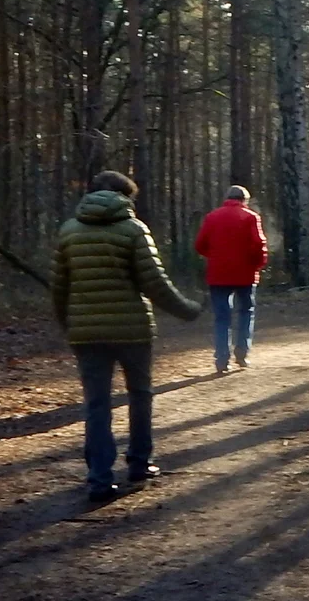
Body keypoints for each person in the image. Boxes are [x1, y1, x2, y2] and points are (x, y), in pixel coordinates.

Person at [50, 170, 200, 503]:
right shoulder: (133, 229)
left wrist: (68, 325)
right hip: (132, 330)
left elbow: (59, 287)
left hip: (86, 333)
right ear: (125, 196)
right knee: (140, 395)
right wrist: (187, 310)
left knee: (97, 404)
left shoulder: (69, 230)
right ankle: (139, 463)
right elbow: (154, 282)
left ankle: (99, 479)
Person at [193, 184, 269, 373]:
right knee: (246, 312)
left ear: (227, 198)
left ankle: (222, 359)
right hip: (245, 273)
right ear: (245, 200)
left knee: (222, 317)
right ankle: (242, 354)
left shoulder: (212, 217)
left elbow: (200, 244)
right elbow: (259, 244)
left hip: (218, 274)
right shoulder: (250, 217)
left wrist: (214, 257)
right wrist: (257, 265)